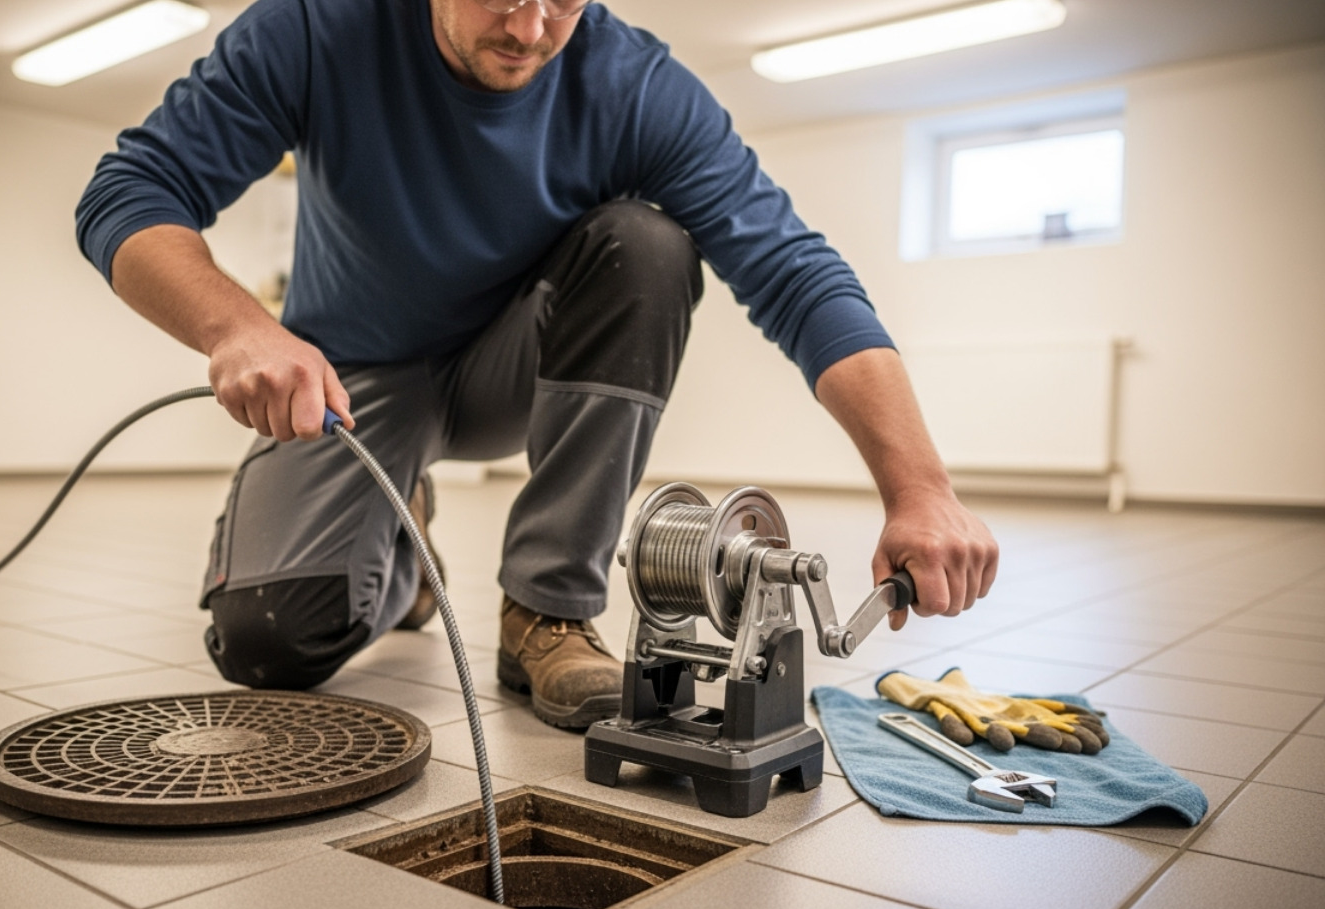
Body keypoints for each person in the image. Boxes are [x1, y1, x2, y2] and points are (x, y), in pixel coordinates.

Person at [76, 0, 999, 729]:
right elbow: (129, 191)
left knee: (649, 244)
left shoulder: (636, 86)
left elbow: (794, 273)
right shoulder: (317, 26)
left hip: (517, 367)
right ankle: (404, 535)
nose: (528, 30)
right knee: (267, 644)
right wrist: (238, 328)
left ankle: (545, 612)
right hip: (352, 385)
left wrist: (917, 486)